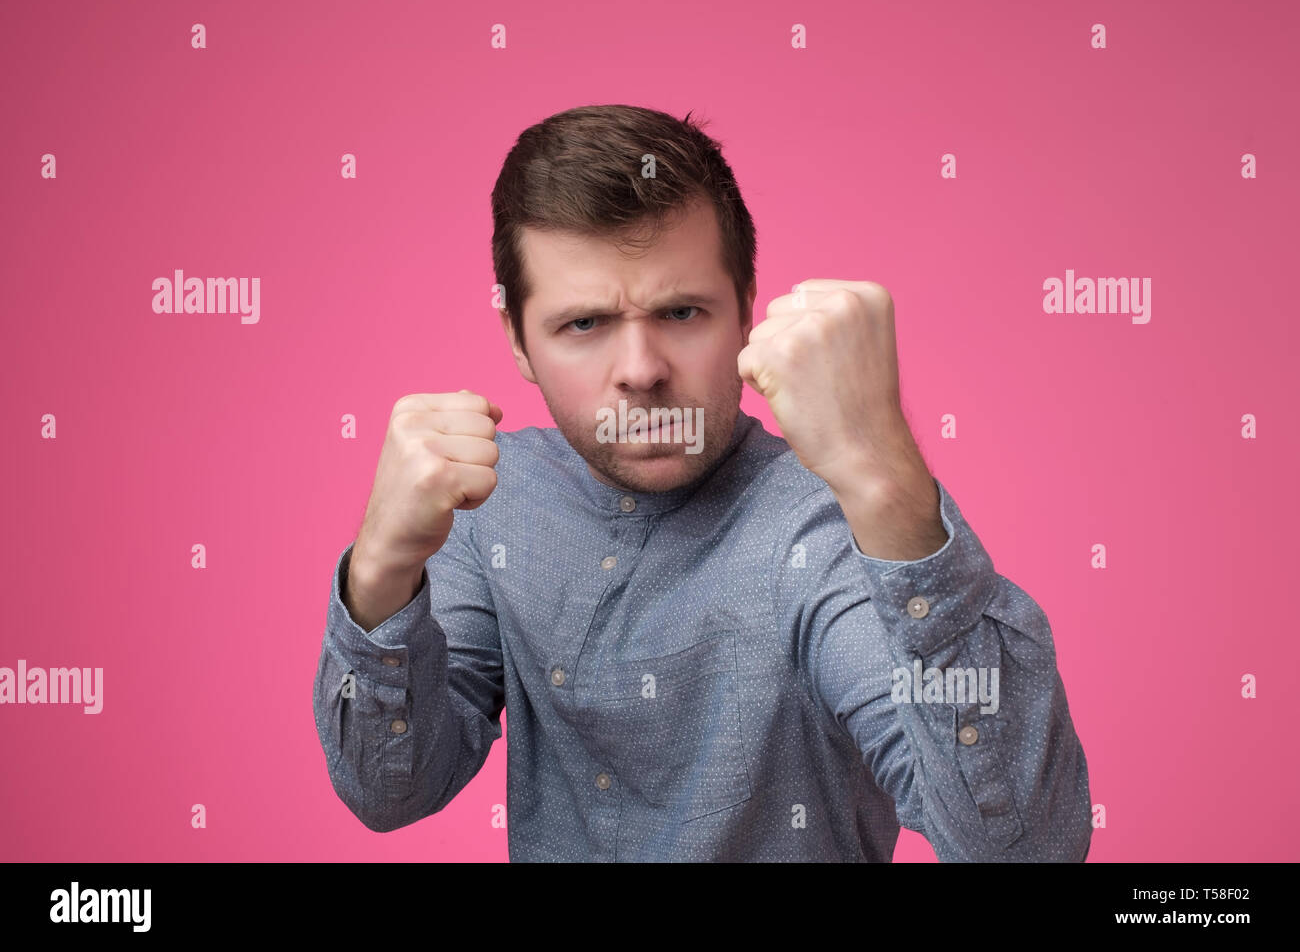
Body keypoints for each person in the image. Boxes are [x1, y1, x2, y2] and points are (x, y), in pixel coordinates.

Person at [312, 104, 1093, 861]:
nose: (642, 371)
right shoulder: (491, 505)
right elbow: (389, 792)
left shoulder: (827, 530)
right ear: (519, 341)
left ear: (747, 311)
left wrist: (889, 487)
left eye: (682, 312)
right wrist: (381, 570)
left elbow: (1020, 849)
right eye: (583, 325)